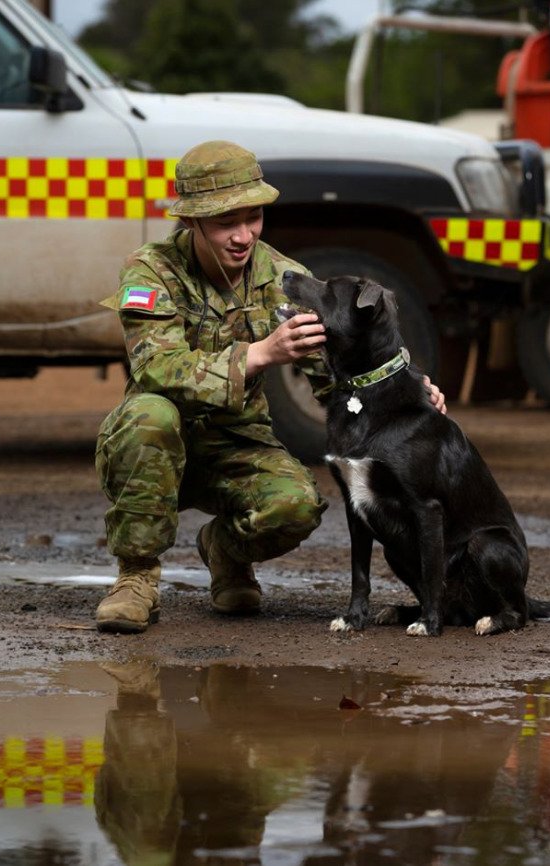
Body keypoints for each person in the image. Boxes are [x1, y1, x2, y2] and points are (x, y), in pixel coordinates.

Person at [94, 140, 445, 633]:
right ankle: (135, 577)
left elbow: (338, 375)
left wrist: (406, 392)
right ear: (192, 221)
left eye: (253, 218)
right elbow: (155, 368)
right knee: (149, 415)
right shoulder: (152, 270)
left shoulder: (285, 278)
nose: (243, 236)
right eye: (225, 223)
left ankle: (225, 552)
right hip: (157, 442)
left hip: (239, 443)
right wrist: (260, 353)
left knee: (296, 507)